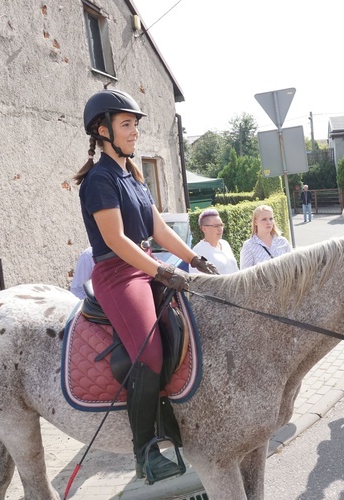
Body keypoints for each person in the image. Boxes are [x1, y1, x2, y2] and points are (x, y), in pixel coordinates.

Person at [73, 89, 218, 483]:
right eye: (126, 125)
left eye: (135, 124)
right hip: (118, 275)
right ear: (102, 131)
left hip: (148, 266)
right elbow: (117, 241)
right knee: (150, 353)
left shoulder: (132, 176)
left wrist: (194, 260)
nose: (134, 131)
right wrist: (161, 271)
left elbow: (158, 228)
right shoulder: (99, 180)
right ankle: (145, 451)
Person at [188, 209, 239, 274]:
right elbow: (197, 280)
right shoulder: (198, 251)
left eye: (221, 225)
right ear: (204, 229)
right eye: (216, 226)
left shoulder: (225, 244)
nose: (220, 229)